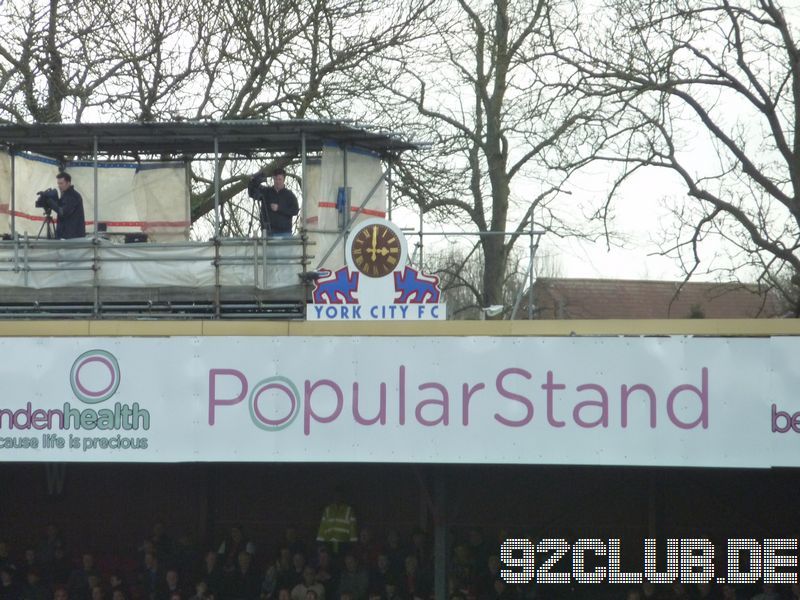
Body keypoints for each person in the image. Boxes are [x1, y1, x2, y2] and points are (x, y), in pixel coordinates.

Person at [247, 168, 299, 238]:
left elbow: (295, 210)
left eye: (280, 179)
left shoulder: (289, 195)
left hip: (285, 233)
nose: (277, 181)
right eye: (276, 179)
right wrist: (252, 181)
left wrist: (279, 208)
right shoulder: (266, 192)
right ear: (273, 179)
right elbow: (252, 193)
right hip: (268, 232)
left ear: (284, 180)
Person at [54, 172, 86, 239]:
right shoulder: (66, 195)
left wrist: (52, 204)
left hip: (73, 237)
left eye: (61, 183)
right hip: (68, 235)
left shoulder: (72, 196)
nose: (59, 186)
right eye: (58, 183)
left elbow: (63, 212)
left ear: (68, 183)